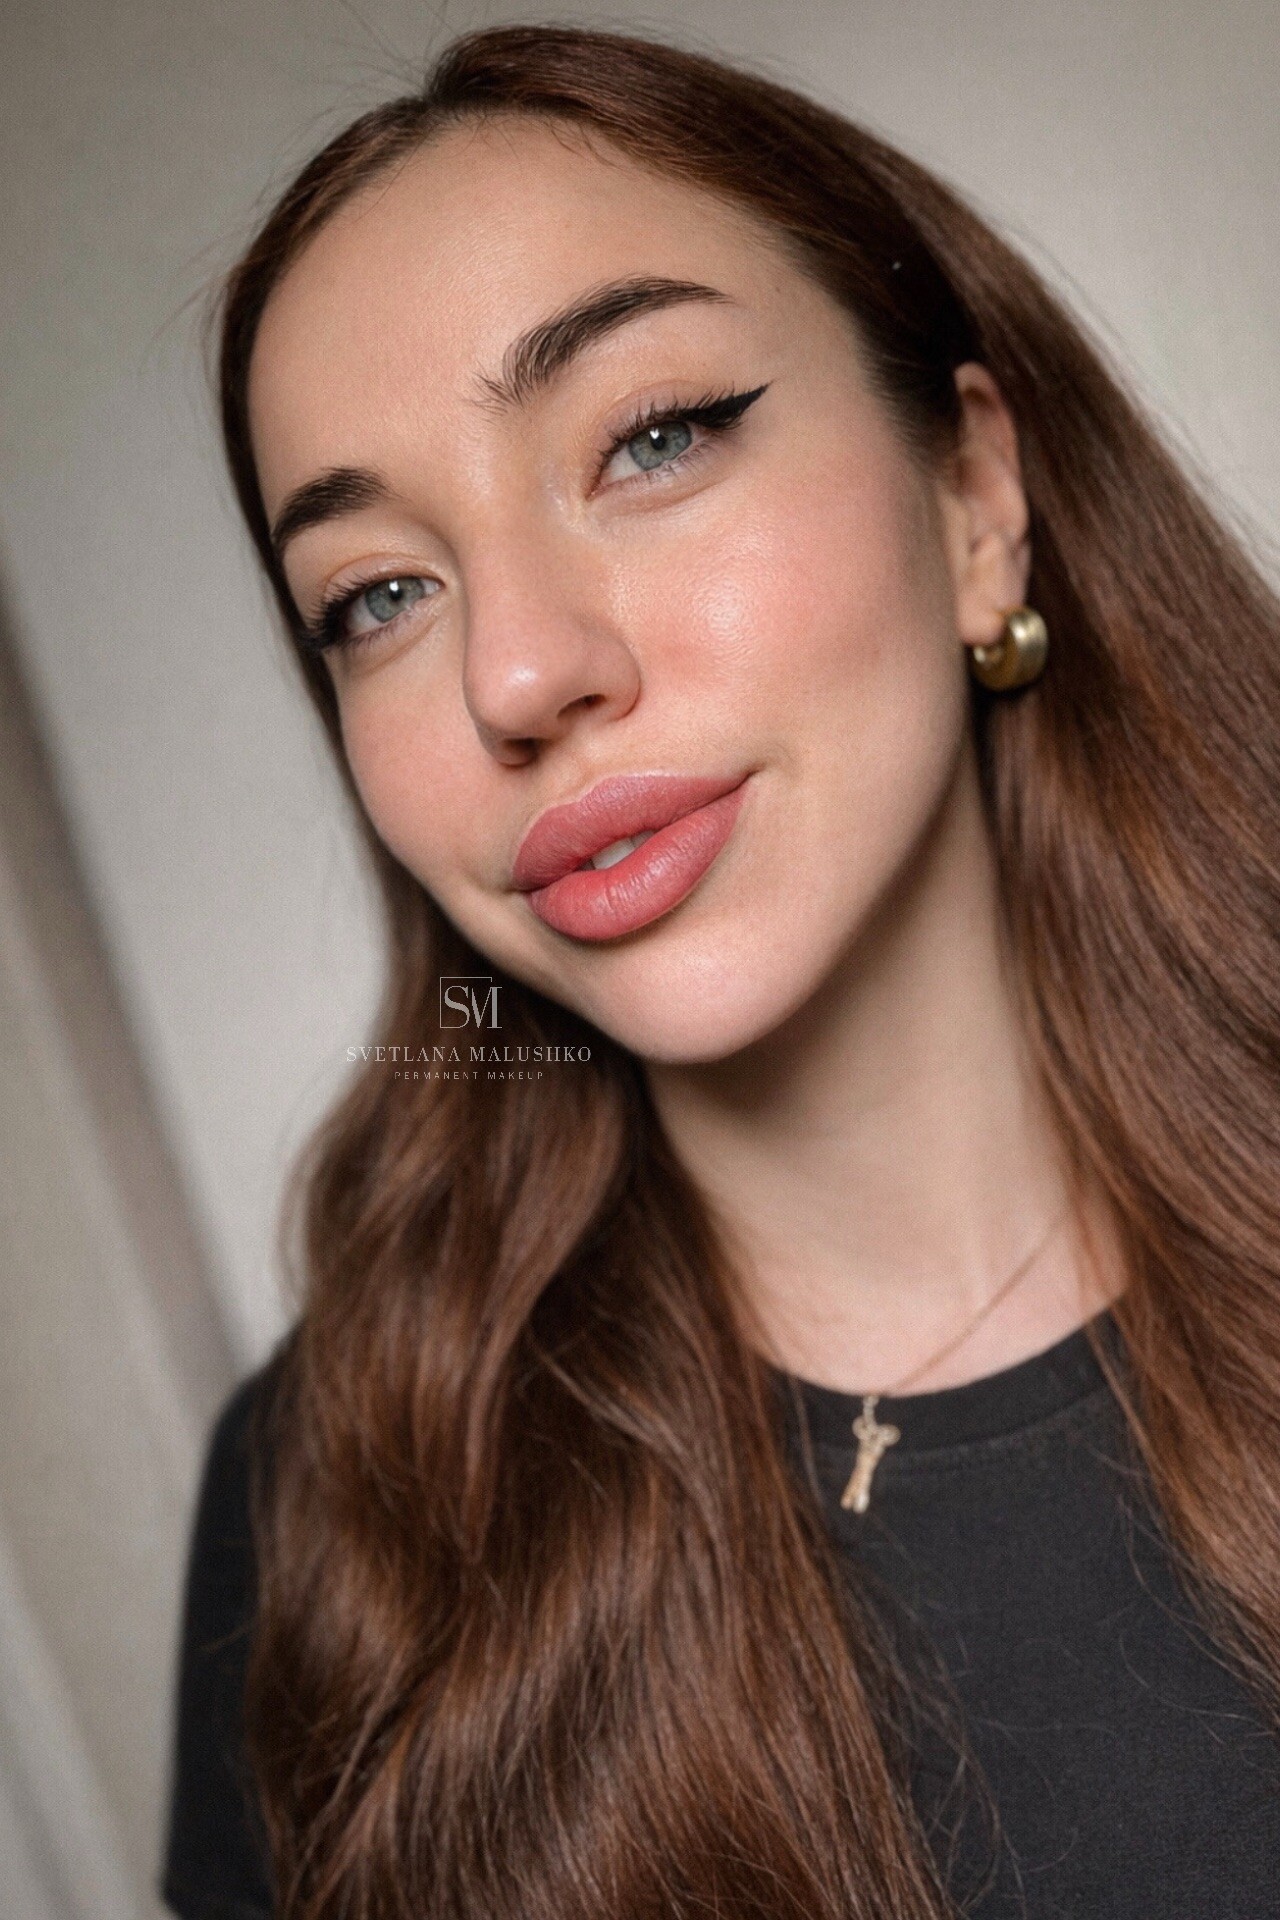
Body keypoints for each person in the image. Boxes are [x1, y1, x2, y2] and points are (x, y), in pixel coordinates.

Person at [161, 22, 1280, 1920]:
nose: (519, 672)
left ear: (974, 497)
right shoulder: (328, 1512)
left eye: (652, 438)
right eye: (379, 595)